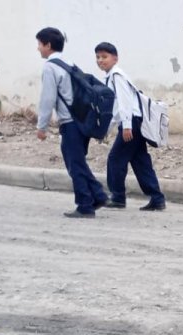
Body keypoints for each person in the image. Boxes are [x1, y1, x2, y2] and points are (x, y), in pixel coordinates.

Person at [35, 27, 108, 219]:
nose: (38, 48)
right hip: (83, 120)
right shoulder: (69, 63)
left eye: (39, 44)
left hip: (70, 123)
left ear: (48, 45)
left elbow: (47, 98)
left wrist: (41, 126)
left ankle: (86, 204)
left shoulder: (50, 67)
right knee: (77, 162)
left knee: (74, 165)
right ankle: (96, 196)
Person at [95, 42, 166, 212]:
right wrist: (106, 130)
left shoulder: (117, 75)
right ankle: (157, 198)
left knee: (115, 158)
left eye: (104, 57)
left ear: (115, 58)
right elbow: (115, 109)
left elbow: (125, 103)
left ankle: (118, 197)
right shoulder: (112, 77)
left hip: (132, 123)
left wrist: (126, 127)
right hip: (134, 122)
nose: (100, 60)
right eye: (98, 57)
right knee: (140, 161)